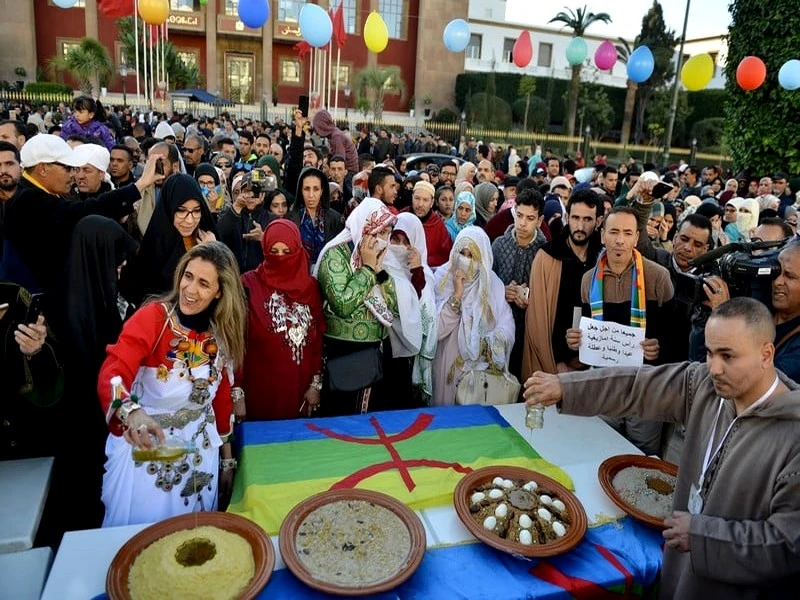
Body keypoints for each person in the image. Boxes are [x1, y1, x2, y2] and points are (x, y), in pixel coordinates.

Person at [523, 297, 800, 599]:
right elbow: (637, 386)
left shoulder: (792, 436)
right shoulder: (704, 386)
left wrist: (703, 537)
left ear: (766, 354)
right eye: (709, 352)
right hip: (678, 571)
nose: (715, 368)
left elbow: (787, 545)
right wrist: (567, 386)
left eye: (728, 356)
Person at [98, 242, 247, 527]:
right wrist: (131, 412)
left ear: (219, 292)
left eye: (204, 283)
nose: (190, 290)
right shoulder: (153, 319)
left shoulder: (222, 334)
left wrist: (227, 460)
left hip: (201, 461)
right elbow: (113, 371)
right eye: (188, 276)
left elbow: (221, 400)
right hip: (149, 457)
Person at [566, 207, 674, 455]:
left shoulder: (658, 277)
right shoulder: (588, 281)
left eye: (627, 233)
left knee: (643, 453)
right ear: (602, 235)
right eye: (613, 232)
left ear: (637, 237)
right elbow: (581, 330)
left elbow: (675, 335)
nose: (620, 240)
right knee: (601, 447)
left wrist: (660, 347)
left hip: (646, 387)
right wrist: (574, 341)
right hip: (605, 383)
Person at [314, 198, 398, 415]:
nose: (383, 240)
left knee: (372, 421)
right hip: (344, 353)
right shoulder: (335, 256)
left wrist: (378, 271)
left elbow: (393, 304)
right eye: (379, 233)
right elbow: (342, 304)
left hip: (375, 351)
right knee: (344, 420)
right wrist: (368, 269)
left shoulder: (377, 254)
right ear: (365, 229)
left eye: (387, 233)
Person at [238, 220, 325, 420]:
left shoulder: (310, 288)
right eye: (273, 252)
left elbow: (317, 340)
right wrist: (237, 392)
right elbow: (236, 343)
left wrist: (315, 385)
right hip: (260, 393)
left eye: (287, 253)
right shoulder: (249, 285)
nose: (280, 259)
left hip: (301, 393)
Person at [522, 189, 604, 378]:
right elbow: (537, 321)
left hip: (591, 370)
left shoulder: (602, 259)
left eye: (587, 219)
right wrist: (555, 367)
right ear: (567, 217)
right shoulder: (548, 256)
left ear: (598, 222)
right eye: (575, 218)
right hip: (551, 364)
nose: (580, 226)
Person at [432, 226, 514, 406]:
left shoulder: (493, 285)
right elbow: (435, 331)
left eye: (472, 256)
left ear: (483, 258)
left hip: (481, 372)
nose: (466, 261)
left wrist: (487, 344)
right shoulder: (442, 279)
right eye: (462, 253)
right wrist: (457, 296)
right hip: (447, 368)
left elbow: (507, 326)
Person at [122, 174, 217, 305]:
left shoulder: (209, 239)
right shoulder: (154, 247)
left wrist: (213, 254)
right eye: (181, 211)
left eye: (196, 211)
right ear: (168, 208)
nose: (189, 220)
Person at [381, 212, 437, 408]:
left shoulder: (425, 274)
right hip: (385, 348)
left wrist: (417, 270)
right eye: (395, 239)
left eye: (407, 241)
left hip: (411, 355)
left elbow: (422, 307)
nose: (400, 246)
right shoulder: (382, 267)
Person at [492, 189, 547, 379]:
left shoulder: (546, 251)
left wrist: (529, 296)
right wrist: (502, 291)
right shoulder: (498, 245)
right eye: (520, 215)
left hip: (530, 334)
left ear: (540, 221)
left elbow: (549, 295)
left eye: (530, 218)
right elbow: (486, 283)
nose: (523, 223)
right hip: (498, 328)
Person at [217, 171, 274, 274]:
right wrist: (236, 207)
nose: (251, 196)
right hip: (234, 276)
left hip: (261, 277)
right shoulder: (232, 214)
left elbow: (278, 251)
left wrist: (263, 238)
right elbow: (219, 236)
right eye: (247, 191)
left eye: (255, 192)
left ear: (262, 195)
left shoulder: (272, 219)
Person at [288, 166, 345, 268]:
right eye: (306, 189)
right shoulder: (290, 219)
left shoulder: (335, 219)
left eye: (316, 189)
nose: (311, 195)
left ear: (322, 191)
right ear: (300, 190)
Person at [407, 180, 452, 268]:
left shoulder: (438, 224)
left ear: (431, 203)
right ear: (412, 198)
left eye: (425, 200)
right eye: (417, 198)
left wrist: (423, 260)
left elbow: (445, 255)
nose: (420, 204)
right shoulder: (402, 217)